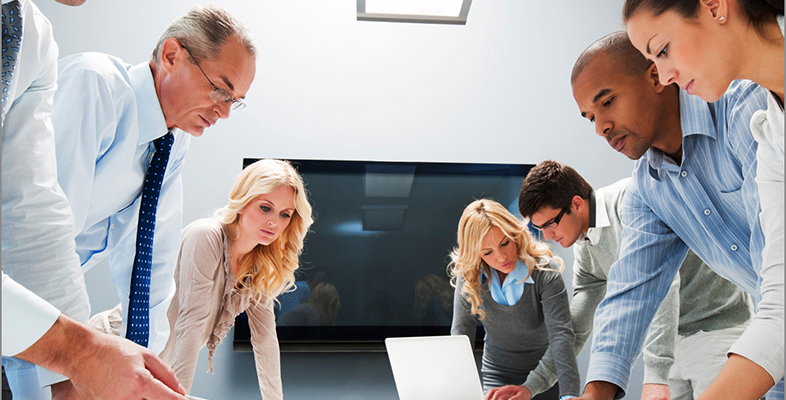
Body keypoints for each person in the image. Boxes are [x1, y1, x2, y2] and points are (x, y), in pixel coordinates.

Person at [5, 3, 257, 397]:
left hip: (38, 321)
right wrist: (71, 367)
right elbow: (36, 238)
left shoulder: (171, 144)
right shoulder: (96, 86)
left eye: (234, 101)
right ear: (171, 55)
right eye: (220, 90)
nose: (224, 112)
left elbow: (152, 262)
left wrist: (144, 373)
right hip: (21, 307)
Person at [567, 31, 772, 400]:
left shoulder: (743, 111)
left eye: (607, 102)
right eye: (590, 117)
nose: (600, 128)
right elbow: (631, 292)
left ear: (656, 75)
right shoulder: (647, 189)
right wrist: (595, 394)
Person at [624, 2, 784, 398]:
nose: (664, 76)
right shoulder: (770, 134)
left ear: (714, 6)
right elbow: (781, 306)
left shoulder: (743, 119)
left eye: (662, 50)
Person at [488, 160, 752, 400]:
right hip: (671, 340)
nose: (547, 236)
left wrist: (656, 374)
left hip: (715, 330)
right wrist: (531, 386)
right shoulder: (585, 245)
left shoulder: (631, 204)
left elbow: (661, 286)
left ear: (577, 204)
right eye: (539, 228)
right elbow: (575, 328)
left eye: (550, 224)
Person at [156, 159, 313, 399]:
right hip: (120, 350)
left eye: (285, 214)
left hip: (153, 370)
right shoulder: (206, 236)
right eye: (265, 208)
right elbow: (191, 323)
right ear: (242, 200)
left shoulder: (258, 265)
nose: (274, 222)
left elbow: (265, 339)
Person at [449, 199, 580, 400]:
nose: (502, 257)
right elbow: (461, 335)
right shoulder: (469, 276)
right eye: (488, 252)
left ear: (515, 235)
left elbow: (561, 336)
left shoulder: (544, 271)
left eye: (505, 243)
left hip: (545, 374)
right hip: (496, 376)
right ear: (476, 254)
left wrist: (570, 395)